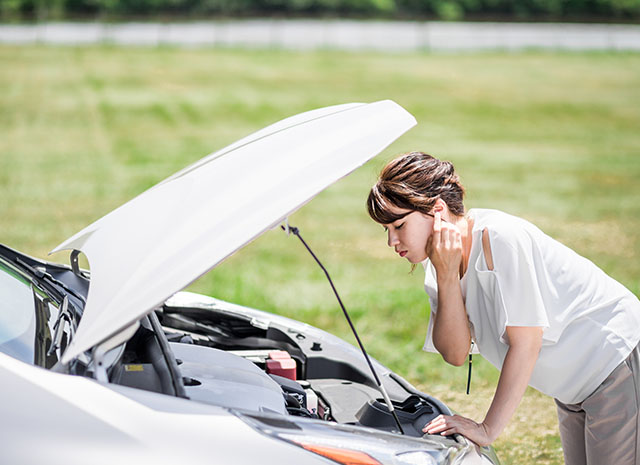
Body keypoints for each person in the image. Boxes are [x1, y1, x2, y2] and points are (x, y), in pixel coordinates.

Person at [366, 151, 640, 465]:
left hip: (614, 363)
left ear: (437, 210)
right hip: (574, 388)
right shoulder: (439, 267)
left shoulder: (499, 238)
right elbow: (455, 353)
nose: (391, 241)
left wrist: (487, 429)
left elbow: (526, 343)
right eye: (386, 230)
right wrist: (447, 276)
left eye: (399, 225)